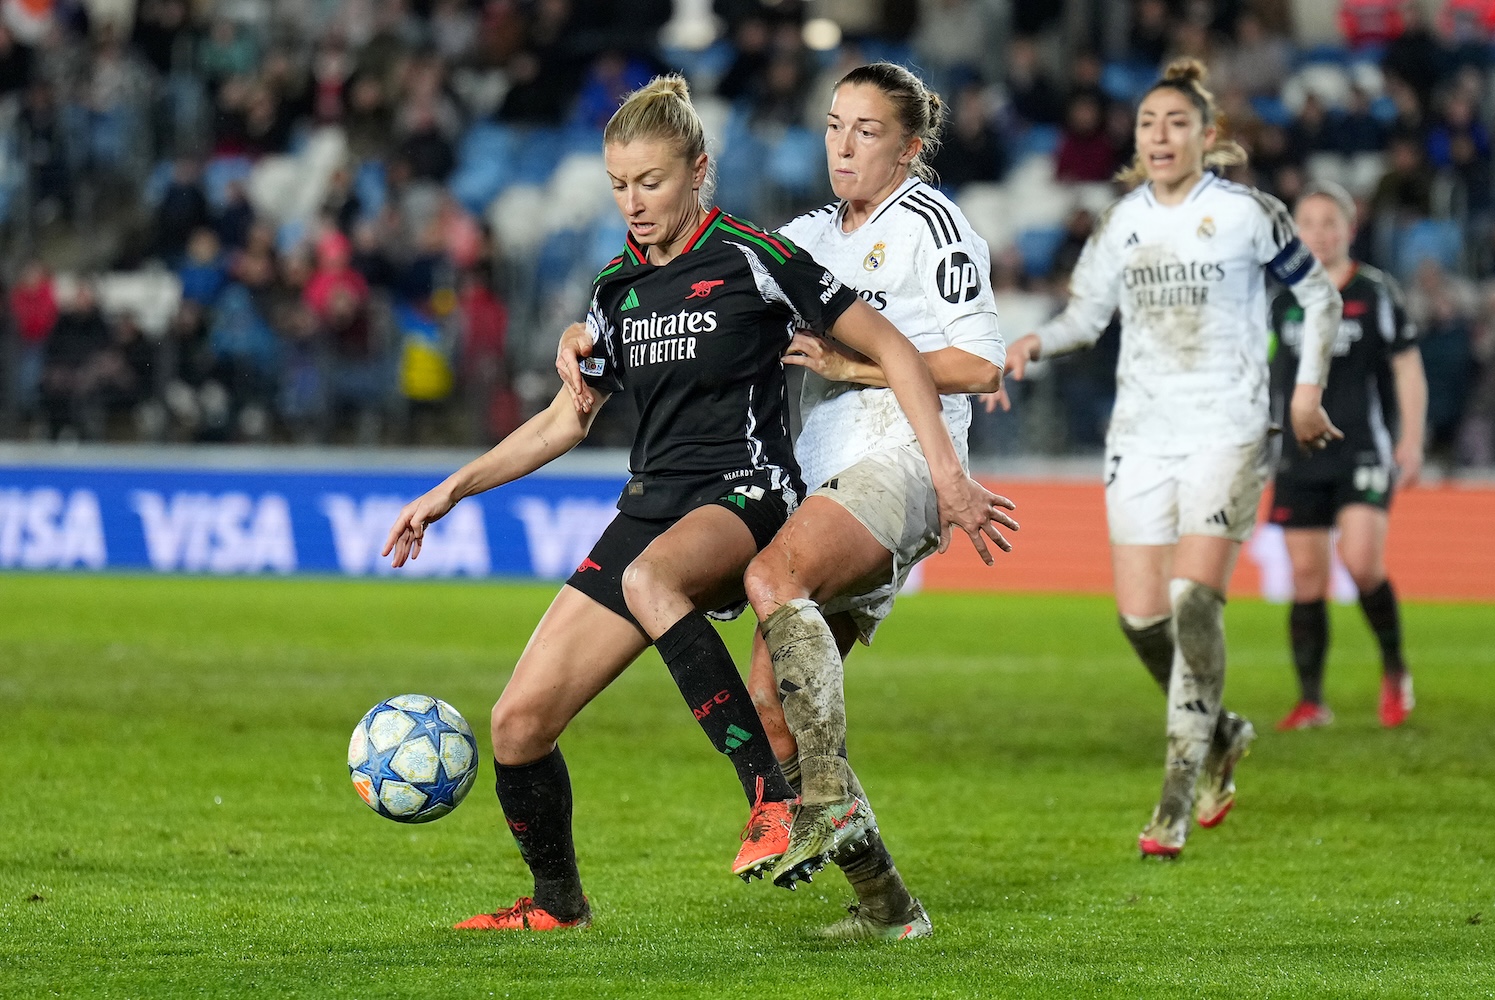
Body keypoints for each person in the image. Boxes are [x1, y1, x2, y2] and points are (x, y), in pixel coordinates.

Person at [386, 76, 1002, 932]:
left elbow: (894, 344)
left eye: (652, 182)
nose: (634, 203)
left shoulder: (756, 254)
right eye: (619, 185)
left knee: (650, 582)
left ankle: (769, 803)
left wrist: (946, 472)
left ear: (697, 171)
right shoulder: (614, 288)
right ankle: (558, 903)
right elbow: (568, 417)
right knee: (517, 723)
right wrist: (449, 490)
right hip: (650, 506)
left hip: (744, 493)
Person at [991, 59, 1343, 859]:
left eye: (1176, 122)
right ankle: (1222, 732)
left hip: (1229, 427)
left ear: (1207, 137)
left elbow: (1317, 296)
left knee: (1191, 599)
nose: (1159, 135)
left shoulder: (1250, 214)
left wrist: (1306, 391)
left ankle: (1176, 800)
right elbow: (1087, 315)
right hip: (1141, 435)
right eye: (1148, 122)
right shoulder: (1121, 224)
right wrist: (1036, 341)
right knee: (1142, 618)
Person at [748, 61, 1014, 938]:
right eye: (833, 125)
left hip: (901, 464)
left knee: (772, 573)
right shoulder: (811, 233)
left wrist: (853, 364)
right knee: (770, 703)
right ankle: (888, 906)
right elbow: (713, 280)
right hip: (830, 478)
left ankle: (822, 805)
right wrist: (590, 323)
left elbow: (978, 364)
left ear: (909, 146)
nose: (844, 144)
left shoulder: (930, 224)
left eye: (866, 129)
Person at [1267, 182, 1427, 731]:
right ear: (1296, 233)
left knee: (1361, 563)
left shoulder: (1376, 292)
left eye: (1329, 223)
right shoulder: (1283, 300)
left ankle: (1394, 667)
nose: (1320, 233)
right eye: (1309, 223)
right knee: (1307, 577)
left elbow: (1407, 365)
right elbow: (1266, 375)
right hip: (1298, 455)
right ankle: (1312, 700)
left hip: (1361, 446)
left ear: (1348, 229)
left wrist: (1412, 438)